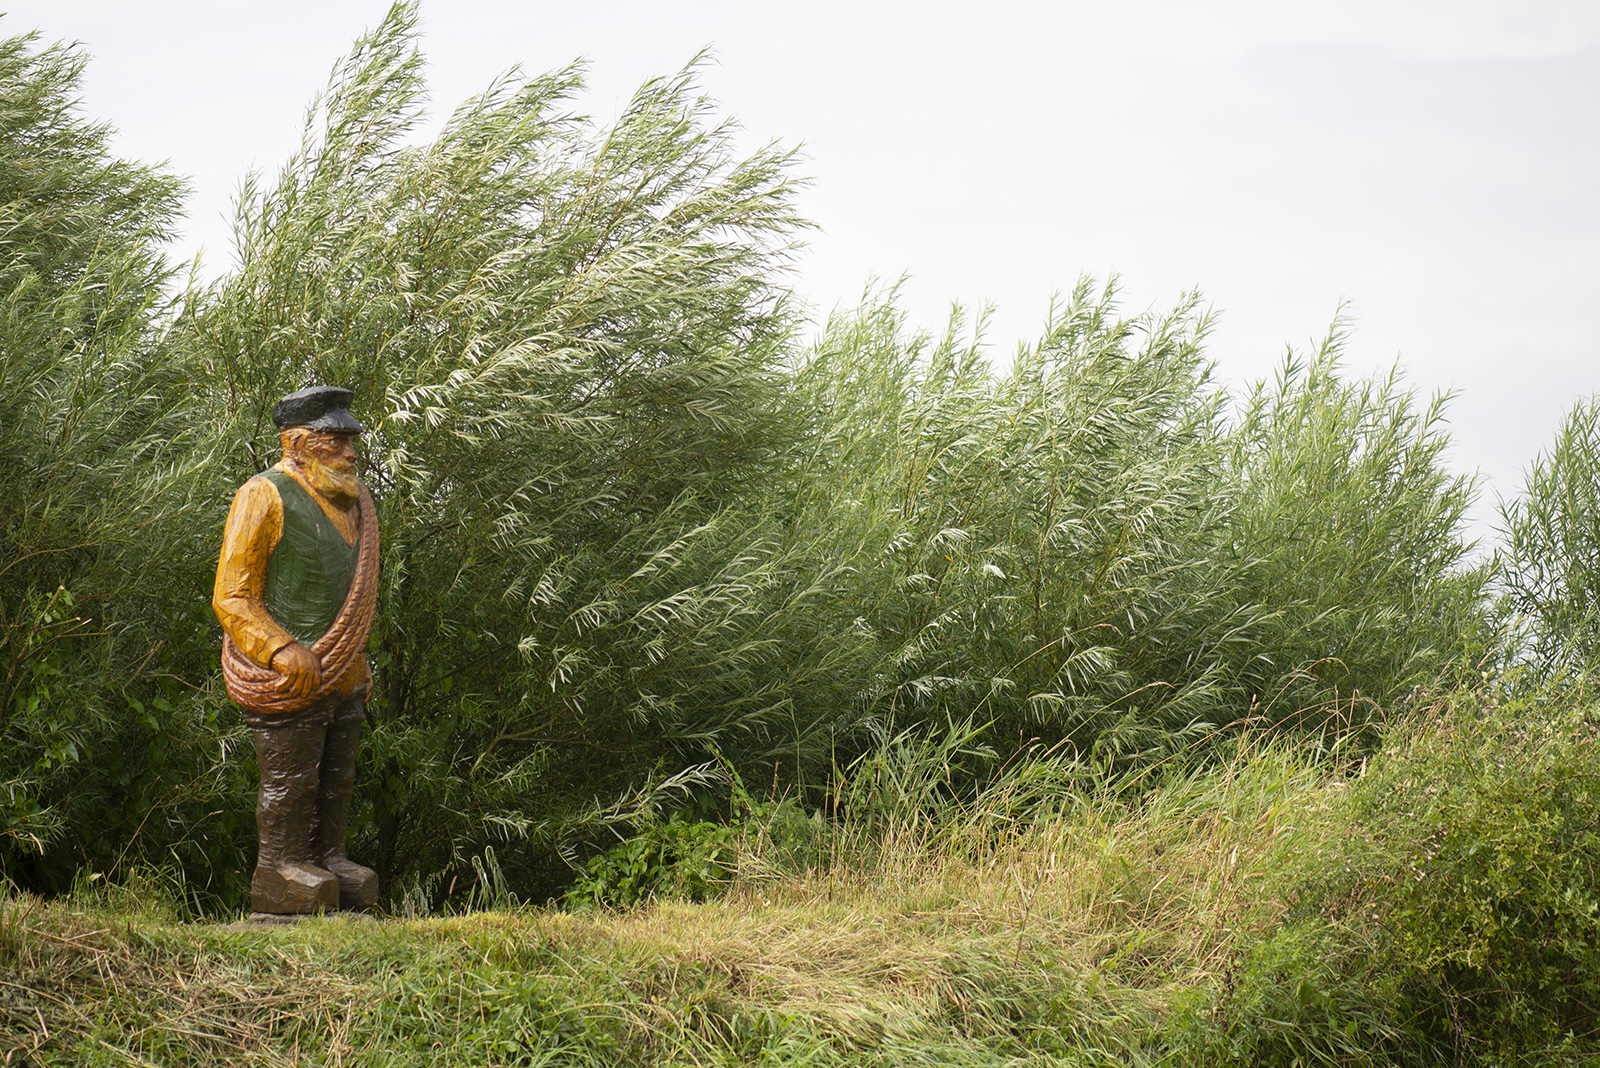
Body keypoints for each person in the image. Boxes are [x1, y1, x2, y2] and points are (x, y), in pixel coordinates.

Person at [213, 385, 381, 916]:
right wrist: (280, 648)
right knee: (291, 780)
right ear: (299, 442)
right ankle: (280, 870)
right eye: (336, 439)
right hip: (289, 679)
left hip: (343, 673)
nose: (351, 451)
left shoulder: (356, 506)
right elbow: (232, 595)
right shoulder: (262, 495)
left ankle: (329, 859)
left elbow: (354, 594)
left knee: (338, 777)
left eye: (351, 439)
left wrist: (355, 656)